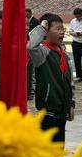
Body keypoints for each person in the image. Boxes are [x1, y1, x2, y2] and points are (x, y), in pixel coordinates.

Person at [27, 13, 75, 144]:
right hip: (47, 110)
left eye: (62, 29)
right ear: (46, 32)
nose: (62, 32)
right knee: (47, 147)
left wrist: (71, 103)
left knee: (59, 147)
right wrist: (41, 28)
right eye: (57, 29)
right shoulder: (42, 53)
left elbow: (70, 81)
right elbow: (30, 46)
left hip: (62, 110)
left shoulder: (63, 54)